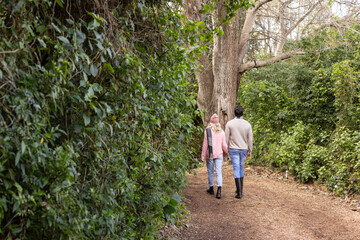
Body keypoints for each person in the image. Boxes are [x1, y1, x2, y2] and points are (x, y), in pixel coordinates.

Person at [225, 105, 253, 199]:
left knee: (236, 168)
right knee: (241, 167)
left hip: (233, 148)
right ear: (243, 113)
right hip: (243, 148)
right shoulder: (247, 124)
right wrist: (250, 150)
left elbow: (226, 138)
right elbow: (250, 139)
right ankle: (240, 190)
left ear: (234, 113)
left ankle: (239, 192)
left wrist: (226, 149)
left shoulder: (230, 124)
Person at [201, 113, 228, 199]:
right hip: (219, 154)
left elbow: (205, 145)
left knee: (210, 171)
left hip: (210, 154)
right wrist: (226, 152)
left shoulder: (207, 131)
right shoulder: (221, 132)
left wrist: (202, 156)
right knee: (219, 172)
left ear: (211, 122)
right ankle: (219, 191)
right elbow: (224, 145)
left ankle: (211, 188)